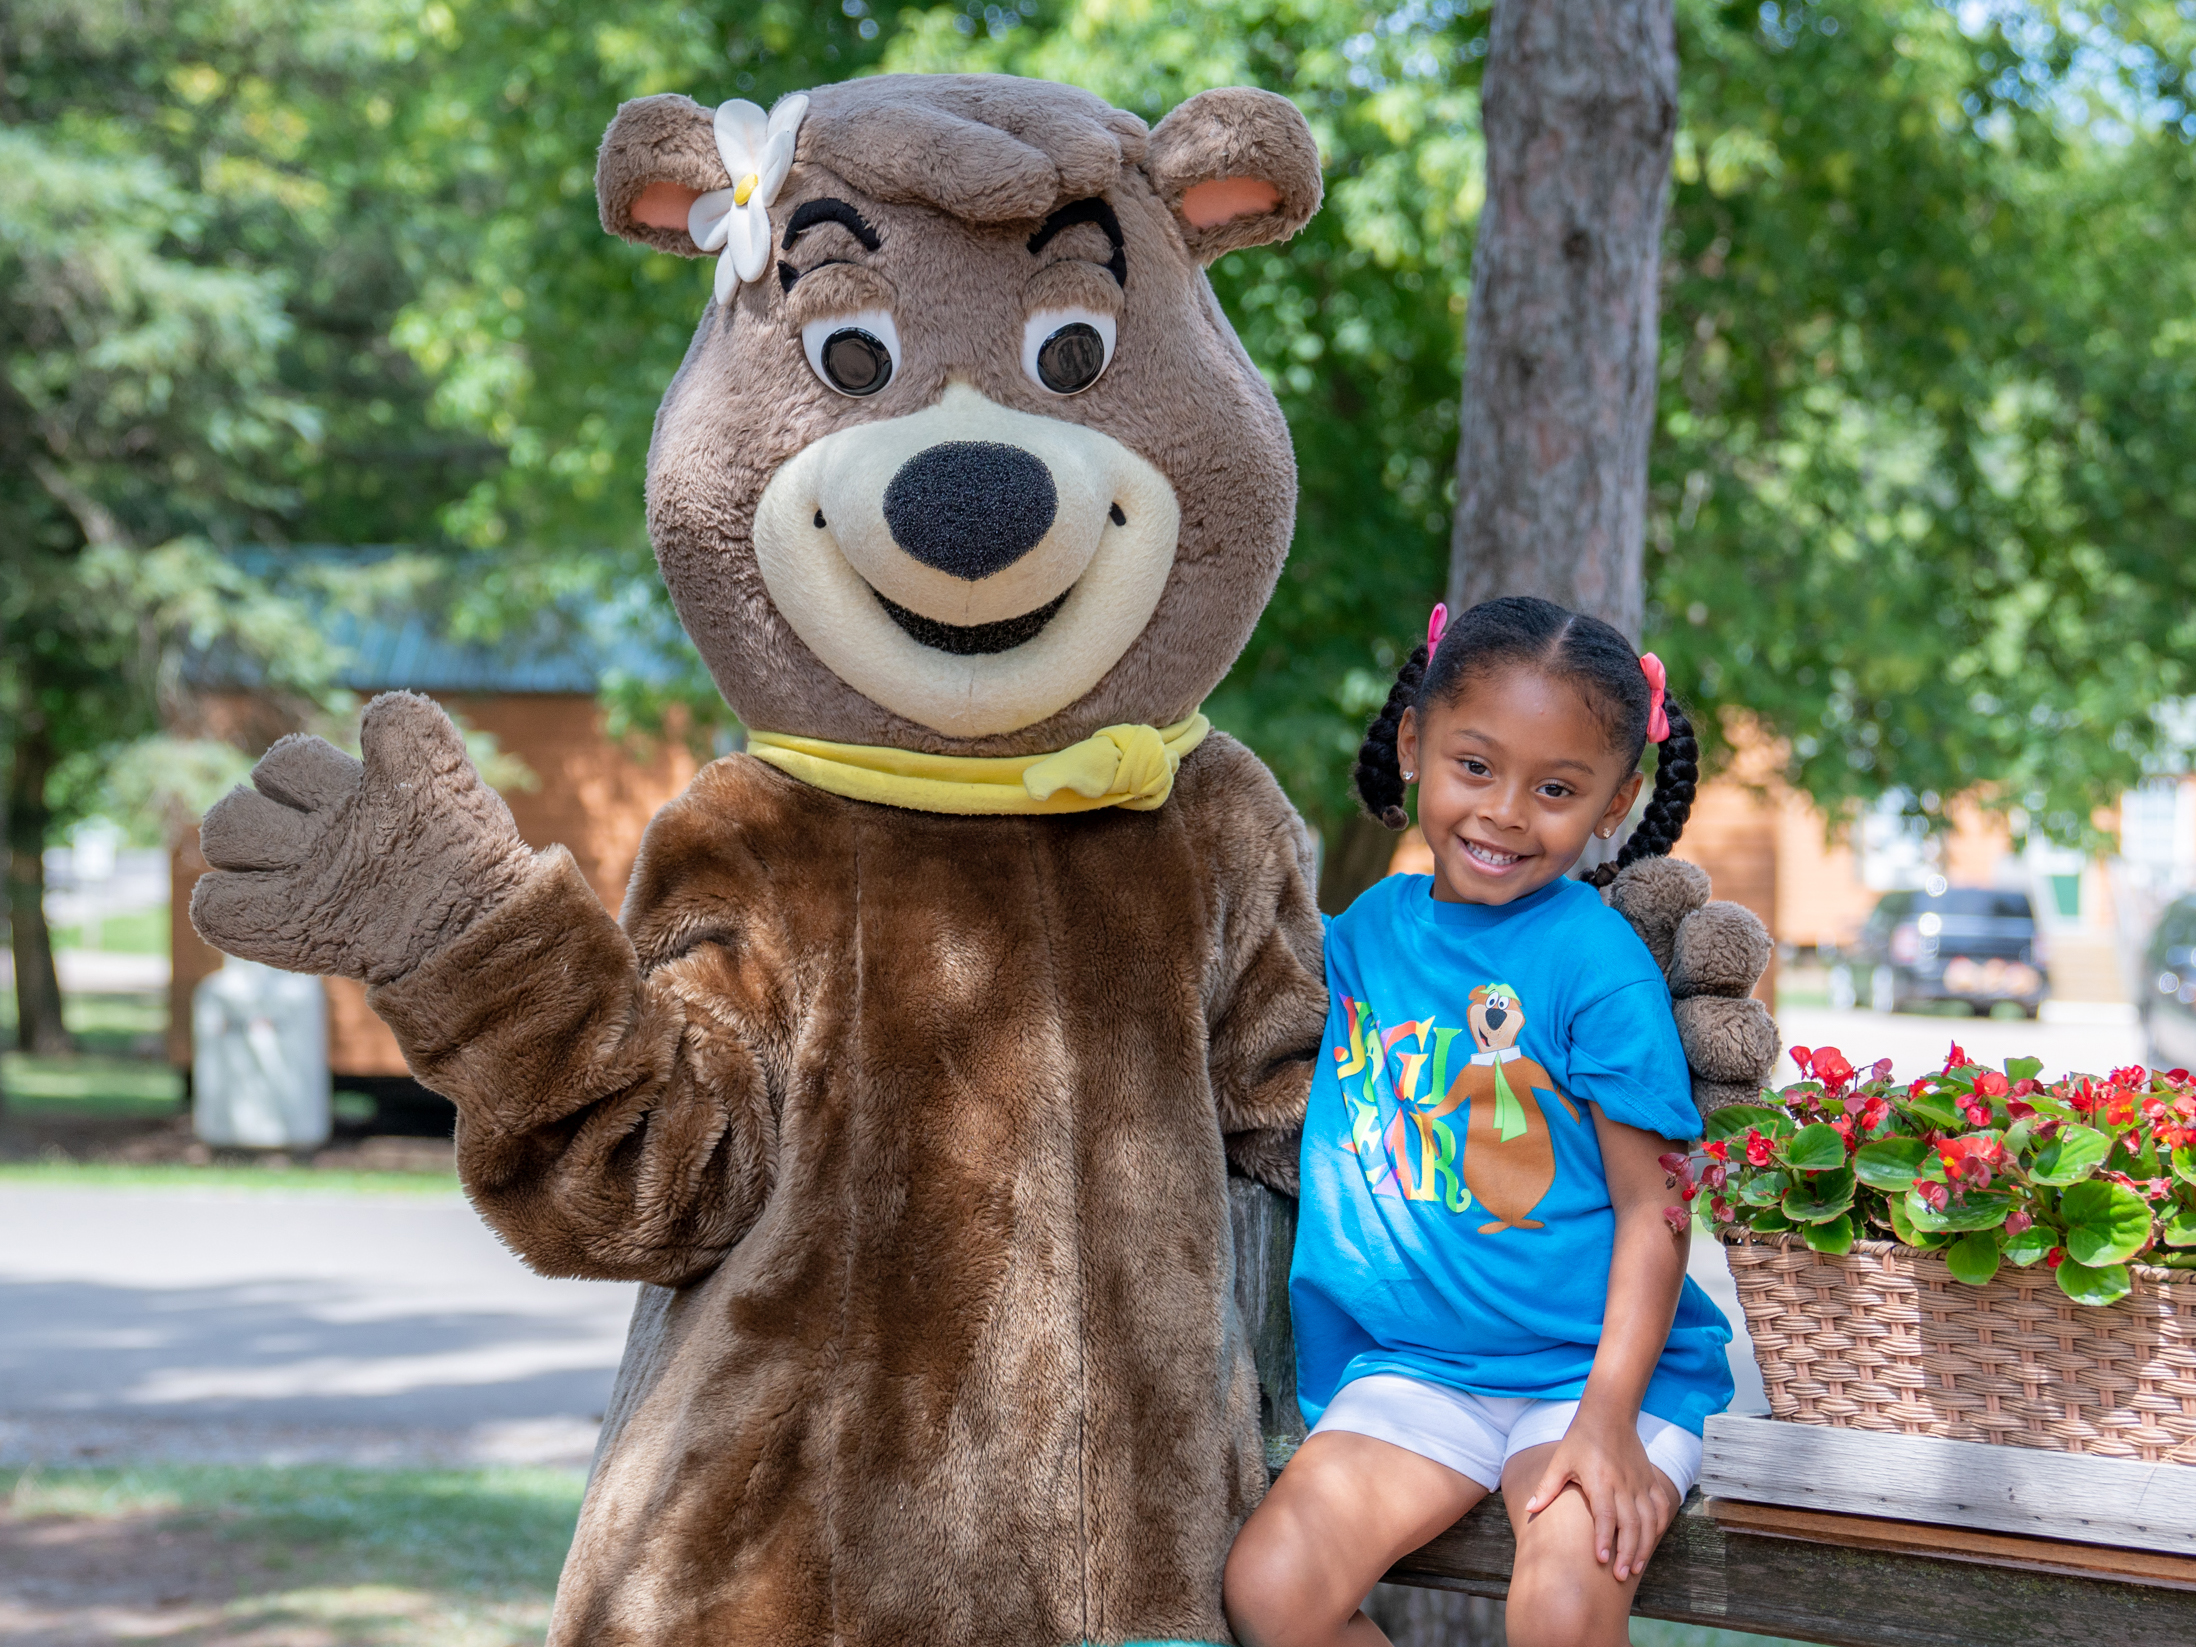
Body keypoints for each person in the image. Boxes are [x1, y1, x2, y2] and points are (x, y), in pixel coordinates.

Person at [1224, 595, 1734, 1647]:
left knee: (1558, 1606)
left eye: (1556, 789)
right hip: (1417, 1372)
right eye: (1475, 767)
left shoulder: (1595, 966)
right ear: (1414, 742)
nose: (1505, 812)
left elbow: (1658, 1209)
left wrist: (1607, 1423)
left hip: (1594, 1376)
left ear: (1614, 802)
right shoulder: (1367, 933)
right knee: (1271, 1597)